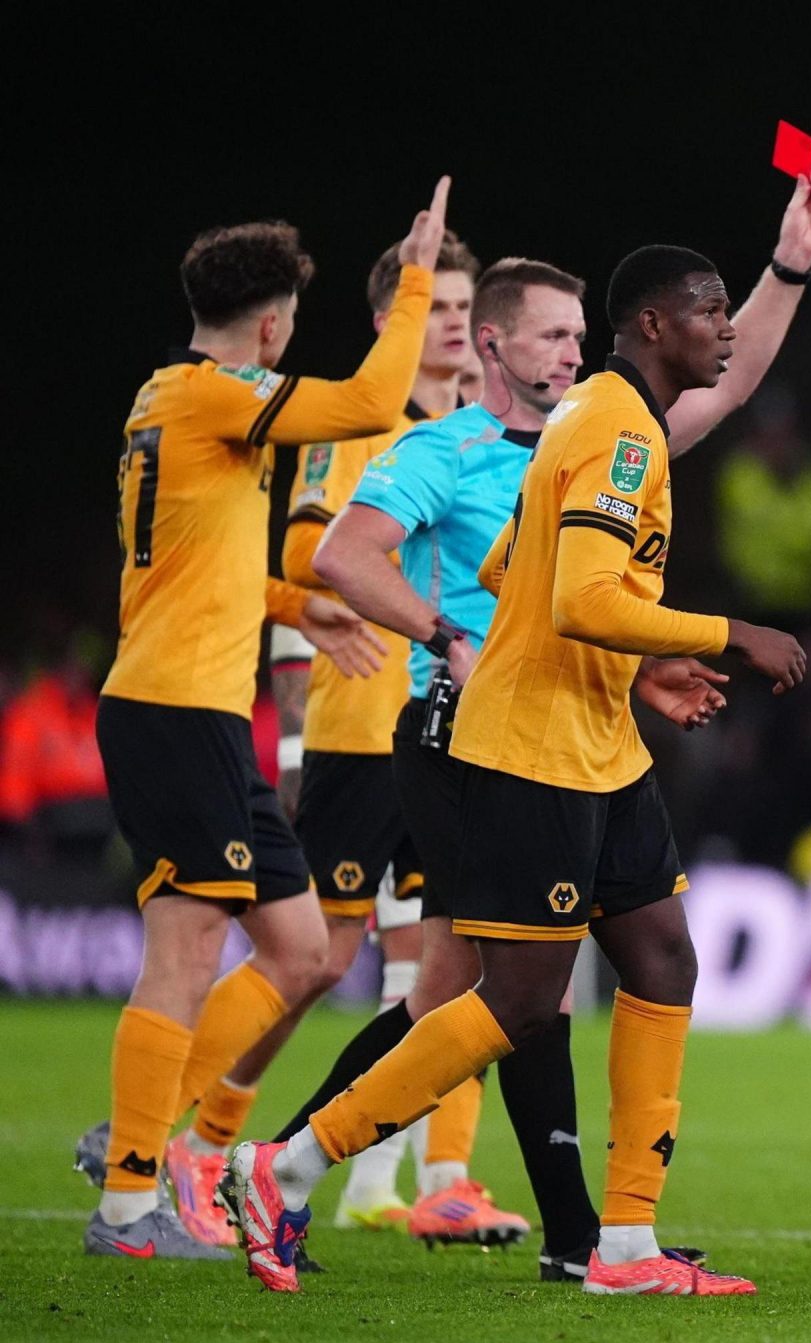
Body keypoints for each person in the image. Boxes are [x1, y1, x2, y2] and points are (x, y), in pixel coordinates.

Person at [222, 243, 809, 1297]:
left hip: (598, 740)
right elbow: (580, 599)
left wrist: (642, 666)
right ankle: (287, 1166)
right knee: (520, 1003)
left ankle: (623, 1245)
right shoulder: (618, 431)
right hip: (532, 748)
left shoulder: (589, 416)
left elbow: (509, 566)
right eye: (710, 310)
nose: (725, 329)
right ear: (654, 327)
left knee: (663, 959)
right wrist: (729, 633)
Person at [78, 181, 446, 1261]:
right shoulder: (213, 397)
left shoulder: (164, 397)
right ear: (274, 327)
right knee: (188, 949)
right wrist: (416, 280)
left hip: (196, 708)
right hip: (169, 709)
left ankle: (134, 1133)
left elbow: (192, 566)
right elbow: (372, 402)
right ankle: (129, 1202)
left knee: (300, 949)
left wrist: (297, 606)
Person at [199, 233, 488, 1248]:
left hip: (459, 736)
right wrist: (292, 745)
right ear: (393, 319)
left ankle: (435, 1178)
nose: (455, 325)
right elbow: (300, 554)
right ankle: (206, 1139)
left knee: (461, 964)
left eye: (466, 308)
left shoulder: (489, 438)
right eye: (437, 306)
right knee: (318, 960)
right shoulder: (361, 426)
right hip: (364, 728)